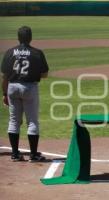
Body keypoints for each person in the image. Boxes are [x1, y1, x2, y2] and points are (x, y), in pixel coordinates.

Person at [1, 26, 49, 162]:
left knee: (14, 121)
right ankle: (33, 155)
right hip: (29, 87)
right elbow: (44, 74)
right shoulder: (37, 53)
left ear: (18, 37)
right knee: (32, 121)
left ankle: (15, 154)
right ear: (30, 38)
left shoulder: (10, 52)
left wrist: (4, 94)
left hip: (12, 87)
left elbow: (4, 76)